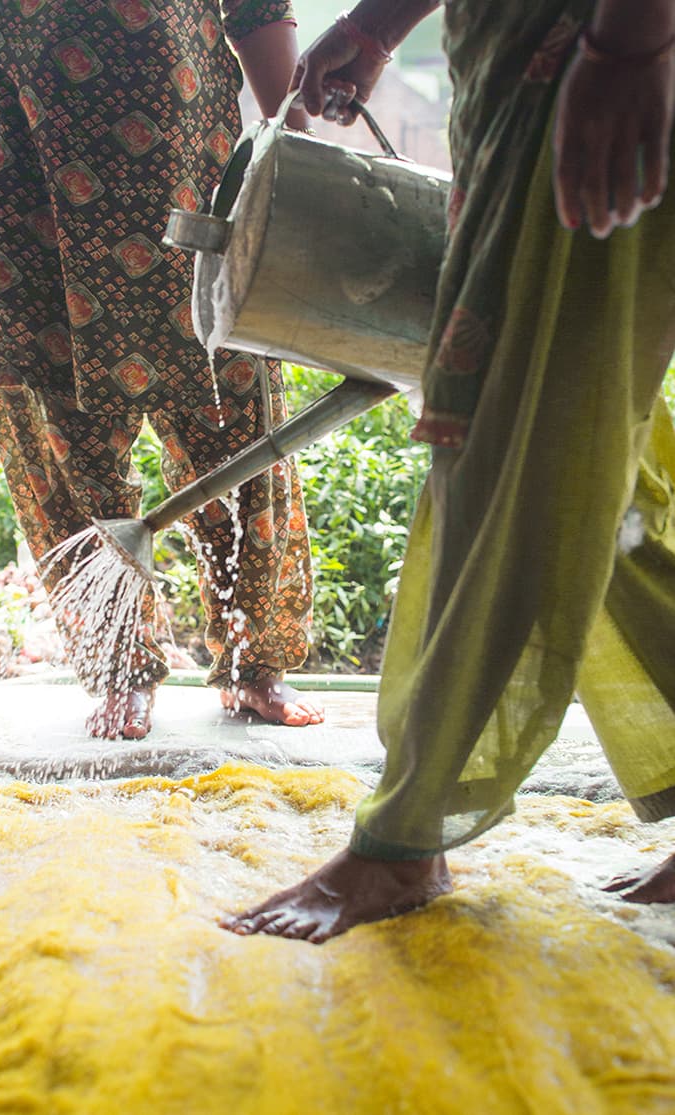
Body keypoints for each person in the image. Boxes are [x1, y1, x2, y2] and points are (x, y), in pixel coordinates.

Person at [222, 0, 675, 943]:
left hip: (588, 54)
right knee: (592, 462)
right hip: (520, 59)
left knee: (512, 437)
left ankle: (403, 837)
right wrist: (381, 23)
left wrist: (629, 42)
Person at [0, 0, 326, 739]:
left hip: (189, 174)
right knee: (71, 437)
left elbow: (258, 9)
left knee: (234, 420)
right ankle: (119, 666)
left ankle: (255, 665)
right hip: (27, 181)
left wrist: (303, 155)